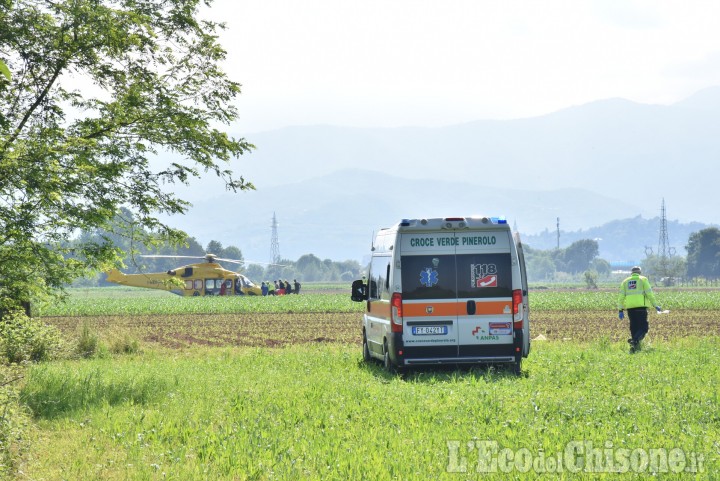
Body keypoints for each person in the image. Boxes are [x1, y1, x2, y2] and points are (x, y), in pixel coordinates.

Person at [617, 266, 663, 353]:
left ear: (632, 273)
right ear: (640, 272)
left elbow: (621, 297)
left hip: (630, 309)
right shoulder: (643, 280)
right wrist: (655, 305)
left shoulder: (625, 281)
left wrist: (620, 310)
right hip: (641, 308)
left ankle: (634, 348)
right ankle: (634, 341)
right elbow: (649, 294)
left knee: (634, 327)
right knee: (643, 328)